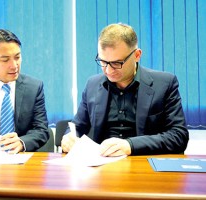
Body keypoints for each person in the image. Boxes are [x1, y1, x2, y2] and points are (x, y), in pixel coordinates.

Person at [61, 23, 189, 156]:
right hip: (102, 167)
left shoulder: (164, 84)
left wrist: (131, 145)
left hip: (144, 165)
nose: (109, 70)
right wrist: (69, 137)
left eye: (117, 63)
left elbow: (179, 136)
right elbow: (76, 127)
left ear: (137, 55)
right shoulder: (92, 85)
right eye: (103, 62)